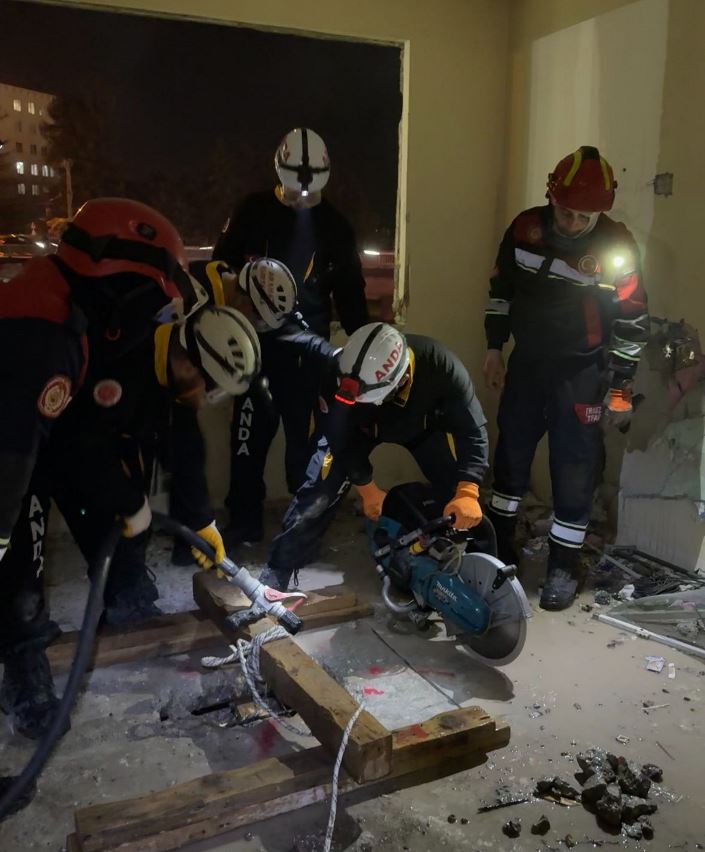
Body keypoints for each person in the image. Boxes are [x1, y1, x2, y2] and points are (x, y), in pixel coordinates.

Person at [0, 196, 260, 739]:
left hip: (52, 437)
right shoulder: (47, 333)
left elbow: (90, 437)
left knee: (112, 524)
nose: (201, 399)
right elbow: (27, 453)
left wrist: (192, 519)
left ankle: (123, 597)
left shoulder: (93, 322)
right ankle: (24, 664)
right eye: (203, 386)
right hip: (18, 447)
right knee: (22, 556)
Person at [483, 146, 649, 611]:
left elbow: (632, 319)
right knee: (511, 453)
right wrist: (494, 348)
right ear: (550, 197)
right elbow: (500, 292)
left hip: (582, 371)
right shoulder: (524, 230)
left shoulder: (616, 246)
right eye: (565, 213)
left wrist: (621, 385)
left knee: (575, 466)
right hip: (528, 364)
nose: (573, 224)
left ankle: (563, 565)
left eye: (584, 217)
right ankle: (498, 546)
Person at [213, 128, 369, 545]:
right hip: (255, 351)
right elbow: (219, 265)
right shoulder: (252, 211)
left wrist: (363, 348)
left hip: (309, 357)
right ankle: (245, 522)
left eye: (310, 194)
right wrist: (232, 296)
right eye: (295, 192)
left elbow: (351, 295)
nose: (302, 199)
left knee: (306, 449)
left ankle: (301, 530)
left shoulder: (335, 227)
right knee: (247, 442)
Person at [255, 322, 490, 593]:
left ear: (402, 379)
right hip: (359, 431)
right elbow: (339, 438)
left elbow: (472, 431)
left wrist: (468, 490)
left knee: (459, 496)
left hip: (422, 428)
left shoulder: (442, 366)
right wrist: (366, 487)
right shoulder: (340, 371)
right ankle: (278, 572)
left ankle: (476, 570)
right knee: (319, 493)